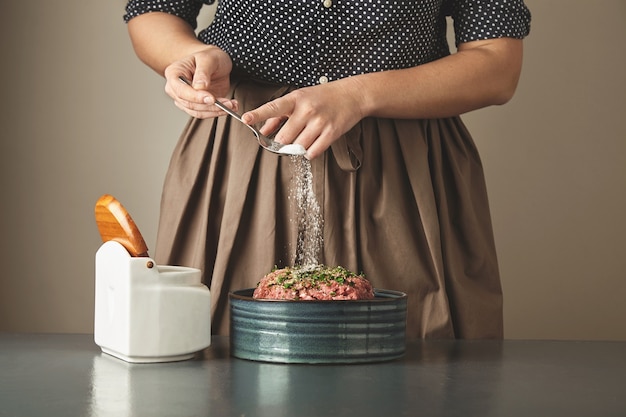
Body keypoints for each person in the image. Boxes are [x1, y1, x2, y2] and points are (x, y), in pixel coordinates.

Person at [123, 0, 531, 338]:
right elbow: (155, 10)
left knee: (418, 372)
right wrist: (189, 56)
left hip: (406, 171)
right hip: (243, 156)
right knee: (220, 366)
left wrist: (358, 94)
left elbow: (497, 64)